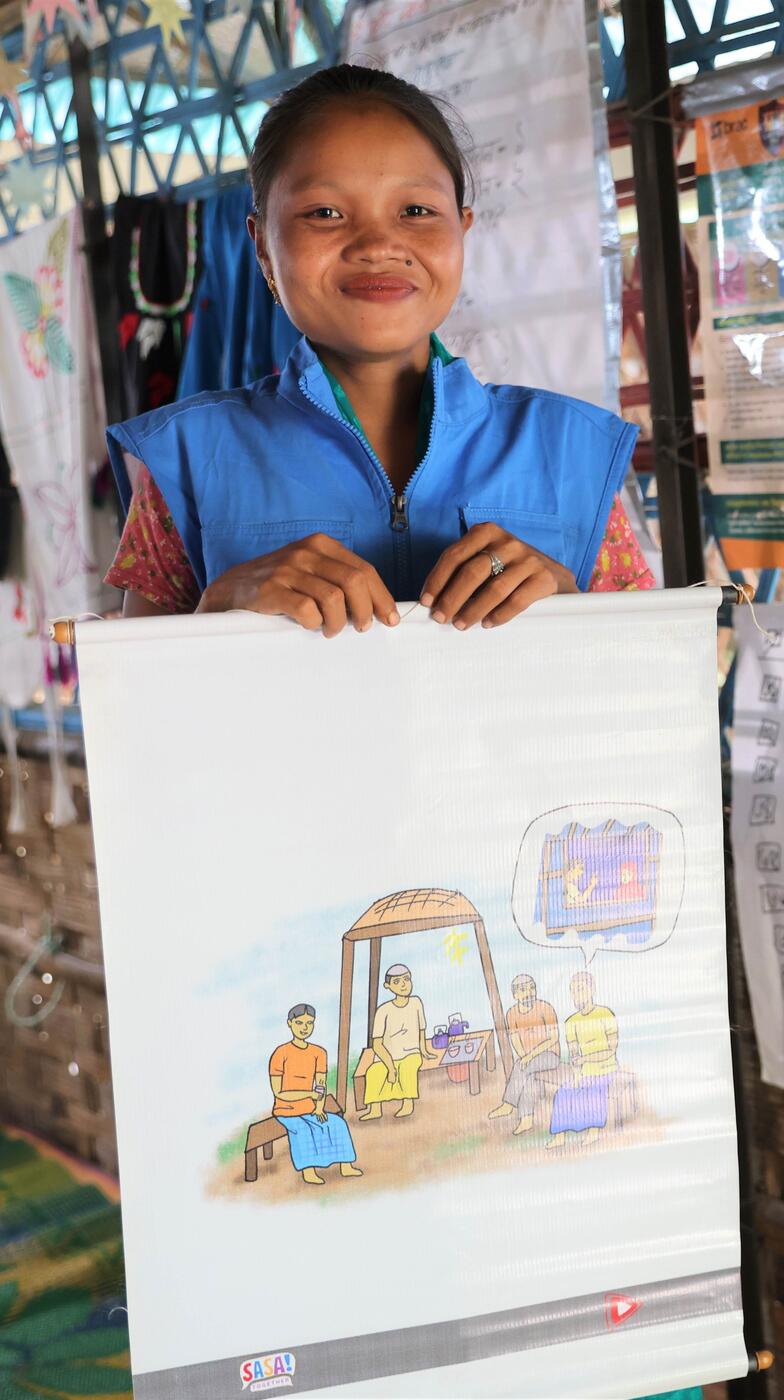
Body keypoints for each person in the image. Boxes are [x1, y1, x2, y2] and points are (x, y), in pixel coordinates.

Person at [103, 64, 654, 625]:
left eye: (416, 211)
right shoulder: (185, 464)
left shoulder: (571, 454)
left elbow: (660, 687)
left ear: (461, 231)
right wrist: (215, 610)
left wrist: (571, 608)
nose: (378, 244)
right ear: (264, 248)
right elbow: (128, 703)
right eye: (325, 213)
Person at [269, 1004, 362, 1186]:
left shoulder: (318, 1052)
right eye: (299, 1023)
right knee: (303, 1130)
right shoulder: (281, 1053)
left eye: (309, 1023)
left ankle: (346, 1165)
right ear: (290, 1024)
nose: (305, 1028)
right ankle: (308, 1171)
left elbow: (321, 1084)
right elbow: (279, 1092)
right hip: (285, 1110)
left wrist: (319, 1106)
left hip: (310, 1108)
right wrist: (309, 1094)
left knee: (337, 1123)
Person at [547, 972, 618, 1150]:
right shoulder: (571, 1022)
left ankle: (593, 1132)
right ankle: (559, 1136)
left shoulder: (605, 1013)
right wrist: (577, 1075)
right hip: (585, 1071)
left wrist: (585, 1059)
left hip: (606, 1068)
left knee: (593, 1090)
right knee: (564, 1092)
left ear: (592, 989)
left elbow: (611, 1049)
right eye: (573, 991)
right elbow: (574, 1056)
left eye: (580, 989)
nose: (576, 995)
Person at [360, 965, 436, 1120]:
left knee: (408, 1069)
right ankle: (375, 1109)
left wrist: (424, 1049)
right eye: (397, 981)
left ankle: (407, 1104)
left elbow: (422, 1029)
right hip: (387, 1056)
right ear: (387, 986)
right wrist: (390, 1067)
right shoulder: (383, 1010)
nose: (403, 984)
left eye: (406, 979)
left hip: (411, 1053)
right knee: (374, 1072)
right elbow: (377, 1044)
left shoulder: (416, 1003)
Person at [488, 974, 560, 1135]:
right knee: (529, 1076)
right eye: (523, 989)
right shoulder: (512, 1013)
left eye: (532, 987)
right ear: (515, 995)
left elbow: (553, 1038)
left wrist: (529, 1057)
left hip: (549, 1055)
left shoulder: (545, 1008)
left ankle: (509, 1104)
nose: (529, 992)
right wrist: (523, 1056)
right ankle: (526, 1120)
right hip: (529, 1059)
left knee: (523, 1068)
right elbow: (515, 1040)